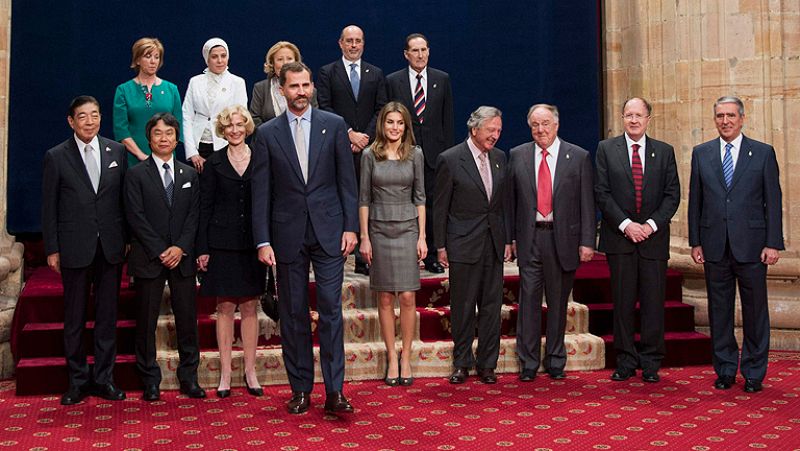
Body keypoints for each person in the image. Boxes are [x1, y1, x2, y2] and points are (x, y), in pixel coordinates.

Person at [251, 62, 358, 414]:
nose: (301, 91)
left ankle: (334, 391)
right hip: (286, 235)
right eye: (294, 86)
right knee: (293, 314)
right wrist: (263, 240)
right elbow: (261, 192)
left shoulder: (335, 125)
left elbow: (347, 183)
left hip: (329, 232)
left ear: (312, 87)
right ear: (281, 89)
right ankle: (300, 389)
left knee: (330, 311)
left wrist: (351, 227)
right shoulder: (266, 133)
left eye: (306, 85)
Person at [688, 95, 783, 393]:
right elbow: (696, 202)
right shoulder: (701, 153)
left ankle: (754, 371)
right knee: (720, 311)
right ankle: (726, 368)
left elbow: (773, 201)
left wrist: (773, 243)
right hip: (714, 245)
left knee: (755, 311)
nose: (725, 121)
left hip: (753, 247)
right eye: (720, 116)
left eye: (730, 116)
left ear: (742, 118)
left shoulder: (763, 153)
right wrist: (695, 241)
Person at [42, 96, 127, 405]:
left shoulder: (115, 151)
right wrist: (52, 248)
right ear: (71, 121)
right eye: (83, 116)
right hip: (74, 248)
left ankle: (104, 379)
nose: (90, 121)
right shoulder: (56, 156)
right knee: (75, 318)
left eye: (94, 115)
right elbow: (49, 207)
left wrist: (126, 239)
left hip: (110, 248)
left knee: (107, 317)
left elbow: (122, 201)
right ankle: (78, 381)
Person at [595, 97, 680, 383]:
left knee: (654, 303)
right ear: (622, 117)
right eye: (628, 115)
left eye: (639, 115)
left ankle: (652, 362)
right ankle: (626, 360)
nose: (633, 120)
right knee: (623, 303)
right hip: (620, 240)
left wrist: (650, 225)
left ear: (648, 119)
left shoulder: (665, 152)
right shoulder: (606, 149)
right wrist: (627, 225)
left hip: (653, 241)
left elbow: (672, 196)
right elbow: (602, 193)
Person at [508, 104, 595, 382]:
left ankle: (556, 359)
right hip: (530, 238)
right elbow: (510, 203)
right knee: (529, 301)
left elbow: (587, 204)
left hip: (563, 239)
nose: (540, 130)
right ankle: (529, 361)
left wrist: (587, 242)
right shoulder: (518, 155)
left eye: (545, 123)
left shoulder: (578, 156)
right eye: (535, 124)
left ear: (556, 125)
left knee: (558, 303)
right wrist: (510, 239)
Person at [124, 112, 204, 401]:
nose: (163, 138)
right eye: (158, 133)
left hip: (182, 259)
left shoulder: (189, 174)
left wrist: (180, 248)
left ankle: (189, 377)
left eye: (169, 133)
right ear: (149, 138)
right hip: (149, 258)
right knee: (145, 322)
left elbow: (194, 215)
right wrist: (160, 250)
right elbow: (135, 216)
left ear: (177, 137)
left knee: (187, 321)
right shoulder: (135, 174)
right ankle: (149, 379)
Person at [434, 106, 512, 385]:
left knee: (492, 307)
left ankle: (487, 364)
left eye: (499, 130)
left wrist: (507, 240)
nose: (496, 135)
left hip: (493, 244)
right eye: (491, 130)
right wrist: (440, 245)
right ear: (474, 128)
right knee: (463, 307)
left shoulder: (501, 158)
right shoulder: (451, 159)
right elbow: (440, 206)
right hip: (463, 244)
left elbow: (504, 205)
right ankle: (462, 362)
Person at [196, 105, 265, 398]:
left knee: (249, 306)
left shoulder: (261, 158)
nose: (235, 130)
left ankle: (250, 372)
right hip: (221, 244)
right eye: (229, 126)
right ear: (222, 131)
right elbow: (204, 207)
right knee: (224, 307)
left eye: (239, 125)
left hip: (252, 243)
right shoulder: (213, 163)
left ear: (247, 127)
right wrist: (202, 248)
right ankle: (225, 374)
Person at [359, 102, 426, 386]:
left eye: (399, 123)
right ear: (382, 125)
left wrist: (423, 236)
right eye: (390, 123)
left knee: (408, 296)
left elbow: (420, 197)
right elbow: (364, 199)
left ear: (405, 126)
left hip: (408, 228)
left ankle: (407, 357)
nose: (395, 128)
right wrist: (364, 237)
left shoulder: (415, 154)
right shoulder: (368, 155)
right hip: (379, 230)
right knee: (385, 297)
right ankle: (391, 358)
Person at [317, 25, 388, 275]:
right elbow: (324, 106)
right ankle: (335, 253)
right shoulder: (327, 72)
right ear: (340, 44)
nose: (354, 45)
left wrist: (365, 137)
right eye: (349, 41)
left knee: (367, 199)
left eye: (358, 41)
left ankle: (363, 257)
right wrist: (349, 133)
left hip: (369, 148)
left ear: (364, 44)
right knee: (341, 198)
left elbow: (381, 108)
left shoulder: (376, 73)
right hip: (339, 146)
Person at [386, 33, 454, 275]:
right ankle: (408, 255)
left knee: (433, 206)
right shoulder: (393, 81)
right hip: (405, 153)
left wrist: (447, 155)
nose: (420, 54)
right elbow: (390, 119)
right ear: (406, 54)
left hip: (436, 156)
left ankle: (433, 254)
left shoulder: (441, 79)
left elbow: (447, 121)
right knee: (407, 205)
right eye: (415, 50)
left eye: (424, 49)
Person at [113, 37, 183, 167]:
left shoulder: (171, 89)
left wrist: (165, 153)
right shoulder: (123, 90)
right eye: (148, 56)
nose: (153, 61)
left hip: (166, 159)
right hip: (134, 160)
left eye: (157, 57)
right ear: (138, 59)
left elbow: (178, 126)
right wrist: (141, 155)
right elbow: (121, 130)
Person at [183, 37, 248, 173]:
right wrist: (192, 153)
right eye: (214, 57)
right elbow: (187, 116)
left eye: (223, 56)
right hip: (199, 145)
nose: (220, 60)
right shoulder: (195, 82)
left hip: (225, 144)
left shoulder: (237, 82)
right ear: (207, 58)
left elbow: (242, 117)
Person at [249, 41, 318, 129]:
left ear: (296, 62)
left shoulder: (309, 90)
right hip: (269, 140)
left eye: (289, 58)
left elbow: (315, 118)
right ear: (272, 63)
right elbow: (255, 119)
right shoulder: (261, 88)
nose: (285, 63)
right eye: (280, 59)